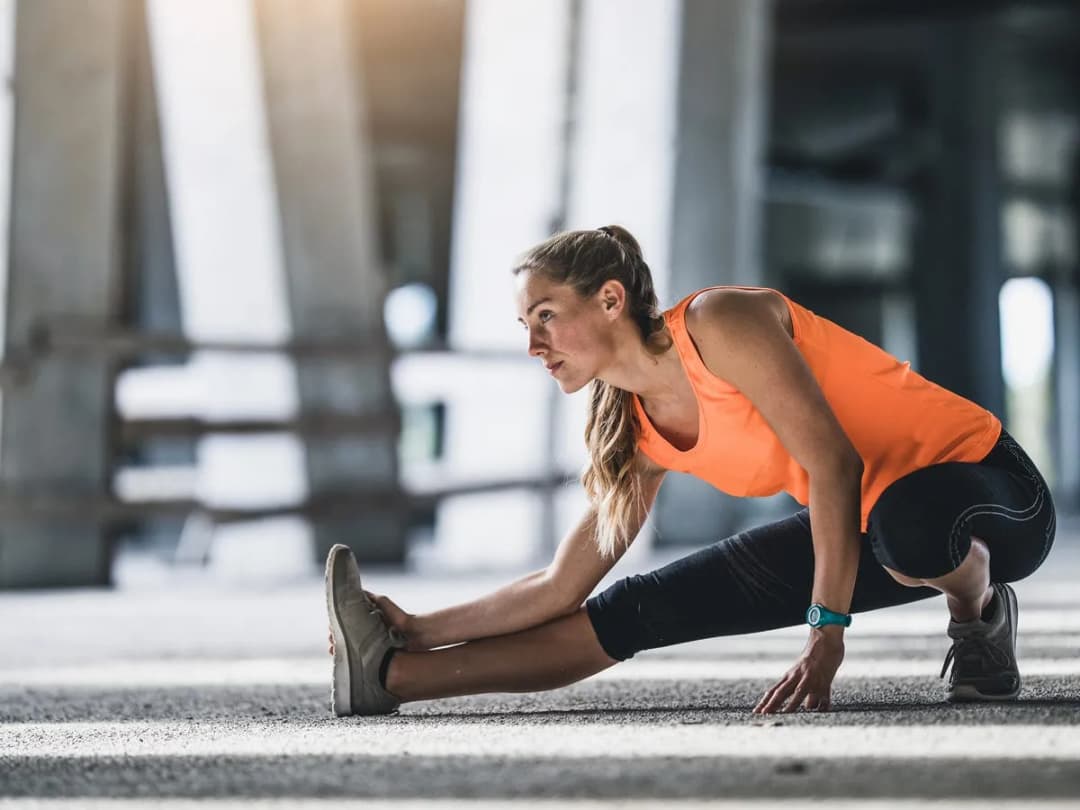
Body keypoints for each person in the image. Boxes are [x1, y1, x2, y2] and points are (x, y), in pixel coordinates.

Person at [325, 225, 1057, 717]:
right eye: (526, 326)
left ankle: (977, 612)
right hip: (866, 522)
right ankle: (389, 680)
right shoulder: (639, 433)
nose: (534, 345)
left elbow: (834, 463)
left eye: (545, 316)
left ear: (610, 299)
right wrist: (414, 630)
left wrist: (826, 631)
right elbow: (560, 587)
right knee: (637, 608)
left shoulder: (719, 323)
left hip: (989, 490)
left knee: (911, 528)